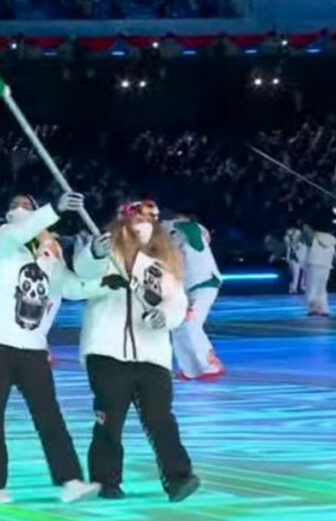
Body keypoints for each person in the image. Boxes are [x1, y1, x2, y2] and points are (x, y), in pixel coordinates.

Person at [0, 192, 101, 505]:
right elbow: (19, 232)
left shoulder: (49, 254)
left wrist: (100, 263)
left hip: (32, 348)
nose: (21, 210)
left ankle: (70, 479)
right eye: (15, 206)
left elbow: (71, 288)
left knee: (49, 415)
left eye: (27, 206)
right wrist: (52, 211)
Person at [74, 200, 200, 502]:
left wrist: (164, 317)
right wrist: (94, 254)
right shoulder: (108, 254)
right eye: (135, 219)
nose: (140, 225)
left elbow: (177, 303)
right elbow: (81, 272)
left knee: (160, 418)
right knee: (109, 420)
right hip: (106, 352)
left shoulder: (163, 264)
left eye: (147, 219)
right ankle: (106, 481)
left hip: (151, 355)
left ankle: (178, 478)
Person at [166, 212, 224, 380]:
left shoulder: (194, 231)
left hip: (204, 284)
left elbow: (190, 227)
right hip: (186, 289)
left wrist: (168, 223)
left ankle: (210, 365)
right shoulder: (172, 239)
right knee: (178, 327)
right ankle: (189, 369)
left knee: (192, 324)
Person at [303, 220, 335, 317]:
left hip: (314, 264)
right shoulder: (332, 239)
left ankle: (313, 309)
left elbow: (305, 230)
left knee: (311, 288)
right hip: (326, 266)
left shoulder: (314, 236)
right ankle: (324, 309)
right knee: (322, 288)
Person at [284, 226, 307, 294]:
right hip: (294, 258)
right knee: (295, 274)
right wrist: (287, 257)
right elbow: (288, 248)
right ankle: (293, 288)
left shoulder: (301, 237)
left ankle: (303, 286)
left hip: (303, 257)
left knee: (306, 272)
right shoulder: (287, 238)